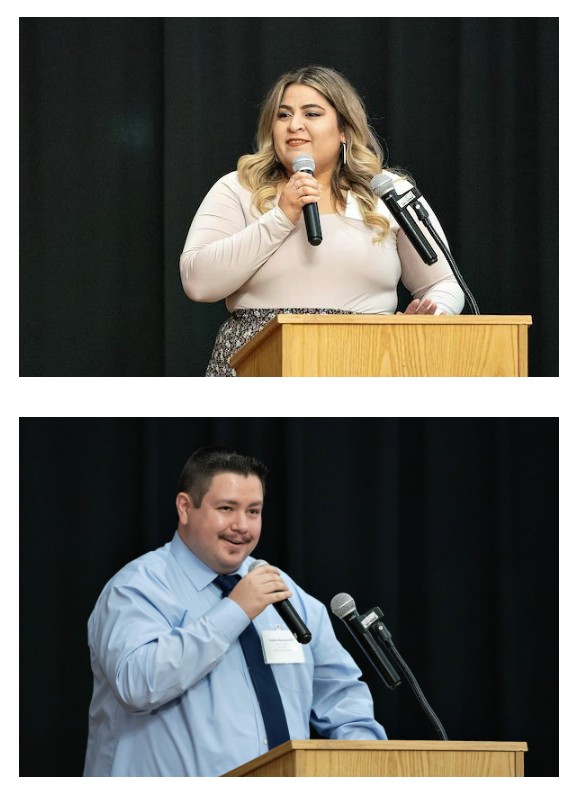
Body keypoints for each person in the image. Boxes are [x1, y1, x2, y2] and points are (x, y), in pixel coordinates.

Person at [83, 446, 387, 777]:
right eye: (227, 508)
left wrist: (368, 763)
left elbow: (339, 692)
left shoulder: (283, 590)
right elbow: (136, 684)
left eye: (253, 511)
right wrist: (235, 610)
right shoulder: (137, 588)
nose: (241, 526)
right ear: (185, 507)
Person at [179, 65, 465, 376]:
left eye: (312, 114)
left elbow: (444, 283)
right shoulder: (238, 187)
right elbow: (198, 282)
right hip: (260, 367)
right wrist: (281, 217)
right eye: (283, 115)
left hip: (370, 363)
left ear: (343, 129)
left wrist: (432, 316)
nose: (294, 125)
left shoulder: (388, 193)